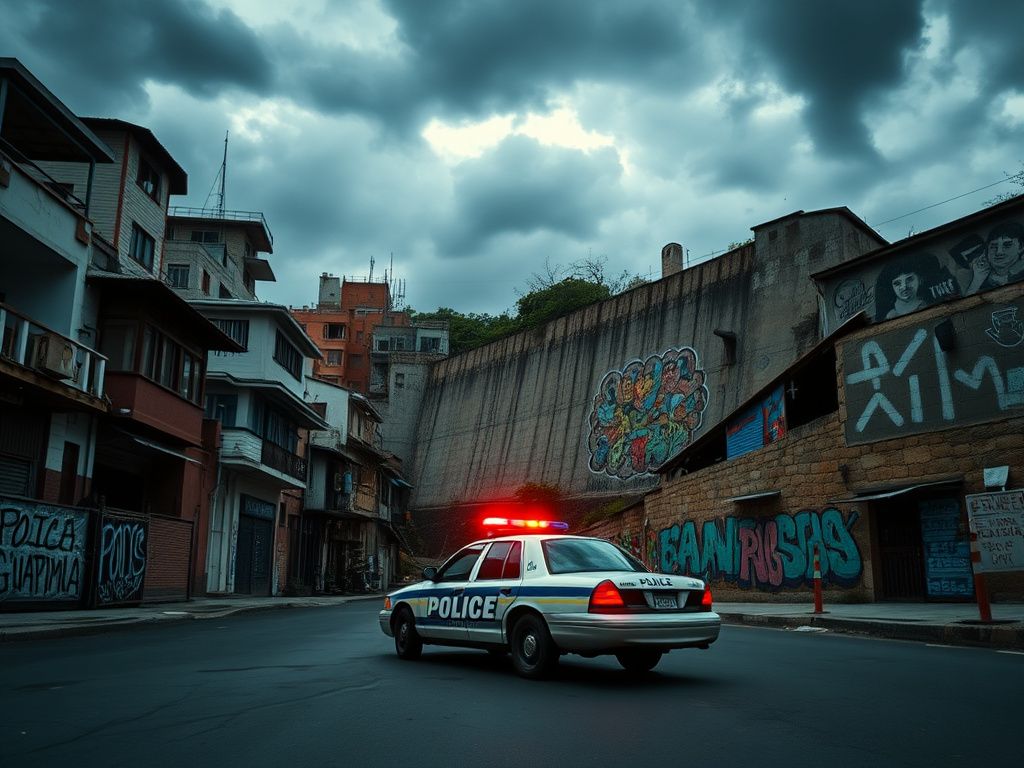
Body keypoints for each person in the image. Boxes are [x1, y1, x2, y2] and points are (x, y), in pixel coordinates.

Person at [873, 252, 955, 321]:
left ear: (920, 280)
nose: (904, 287)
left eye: (909, 279)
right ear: (891, 287)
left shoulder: (931, 305)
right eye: (897, 283)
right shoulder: (888, 316)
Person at [966, 221, 1024, 294]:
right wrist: (977, 279)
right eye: (993, 246)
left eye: (1007, 245)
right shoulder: (982, 278)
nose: (999, 252)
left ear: (1021, 247)